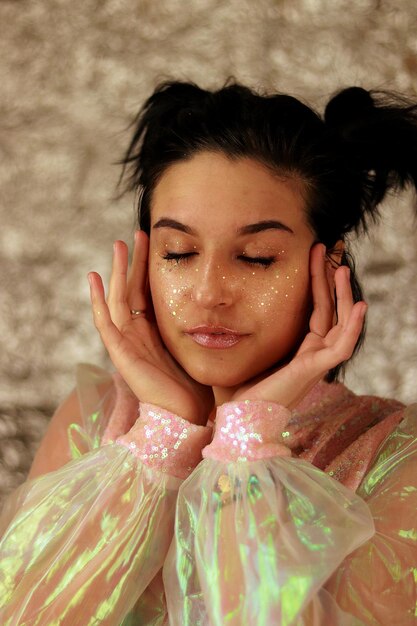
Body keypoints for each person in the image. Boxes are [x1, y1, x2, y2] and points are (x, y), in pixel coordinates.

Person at [0, 80, 416, 626]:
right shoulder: (95, 422)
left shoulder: (394, 456)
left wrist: (246, 444)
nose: (208, 291)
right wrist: (164, 438)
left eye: (257, 258)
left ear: (330, 261)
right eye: (179, 252)